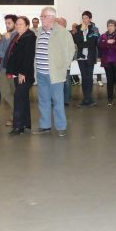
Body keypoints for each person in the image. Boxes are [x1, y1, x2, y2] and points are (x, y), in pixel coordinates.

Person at [33, 7, 74, 137]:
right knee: (43, 101)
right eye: (41, 16)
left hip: (55, 74)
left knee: (58, 101)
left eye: (43, 16)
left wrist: (63, 67)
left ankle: (61, 126)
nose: (41, 18)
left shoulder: (62, 32)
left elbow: (70, 51)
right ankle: (45, 125)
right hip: (41, 73)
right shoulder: (39, 31)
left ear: (51, 17)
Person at [6, 17, 36, 135]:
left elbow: (28, 57)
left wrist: (23, 73)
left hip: (24, 74)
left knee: (18, 99)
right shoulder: (17, 36)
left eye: (21, 24)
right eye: (17, 24)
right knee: (23, 99)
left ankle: (18, 126)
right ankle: (26, 124)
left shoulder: (29, 37)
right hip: (17, 73)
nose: (18, 26)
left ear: (27, 26)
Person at [73, 11, 100, 107]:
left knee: (89, 77)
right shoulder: (78, 28)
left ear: (90, 19)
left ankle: (89, 98)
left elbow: (93, 42)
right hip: (81, 57)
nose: (84, 20)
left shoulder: (95, 29)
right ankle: (86, 98)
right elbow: (76, 41)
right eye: (83, 18)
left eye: (86, 18)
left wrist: (83, 43)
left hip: (90, 56)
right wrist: (81, 31)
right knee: (84, 77)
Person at [0, 14, 17, 126]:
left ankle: (14, 117)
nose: (7, 25)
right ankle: (17, 111)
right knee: (4, 92)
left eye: (9, 23)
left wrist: (7, 42)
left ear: (15, 23)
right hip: (4, 68)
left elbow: (13, 54)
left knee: (15, 92)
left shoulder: (18, 35)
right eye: (6, 23)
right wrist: (6, 52)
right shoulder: (5, 36)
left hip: (14, 69)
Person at [98, 19, 116, 106]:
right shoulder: (103, 36)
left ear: (115, 27)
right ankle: (109, 99)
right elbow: (100, 46)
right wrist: (108, 42)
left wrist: (107, 44)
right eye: (108, 25)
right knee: (109, 80)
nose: (110, 27)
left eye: (112, 25)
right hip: (107, 62)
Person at [55, 17, 75, 106]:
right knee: (56, 82)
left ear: (62, 24)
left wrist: (67, 61)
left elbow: (71, 49)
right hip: (55, 63)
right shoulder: (53, 33)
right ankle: (57, 99)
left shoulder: (67, 34)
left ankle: (66, 100)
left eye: (57, 22)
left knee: (66, 82)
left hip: (64, 62)